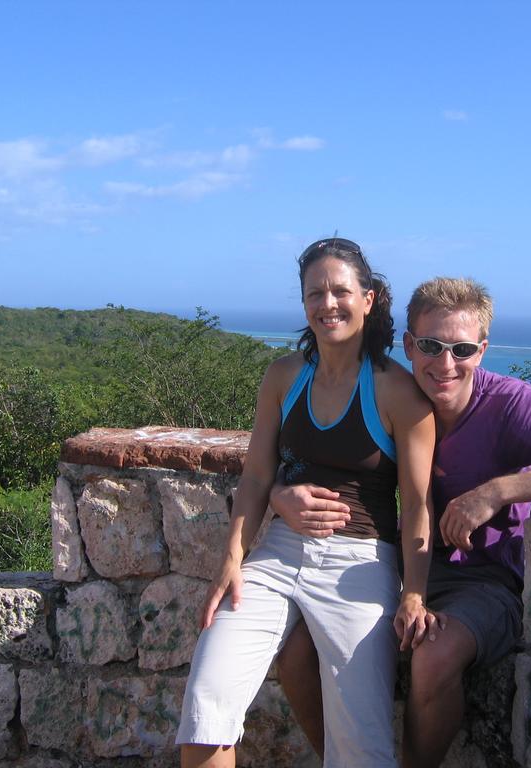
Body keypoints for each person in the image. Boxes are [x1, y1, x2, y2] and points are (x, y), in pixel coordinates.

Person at [271, 277, 531, 767]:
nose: (445, 364)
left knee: (433, 655)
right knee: (297, 652)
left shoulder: (508, 404)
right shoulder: (390, 399)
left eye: (461, 349)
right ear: (408, 345)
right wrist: (280, 492)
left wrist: (498, 491)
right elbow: (311, 462)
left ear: (482, 351)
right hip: (403, 566)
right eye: (430, 346)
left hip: (485, 580)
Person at [175, 238, 436, 768]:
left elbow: (416, 506)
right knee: (207, 703)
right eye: (314, 293)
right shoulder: (284, 377)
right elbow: (255, 477)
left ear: (369, 298)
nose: (328, 303)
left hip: (359, 563)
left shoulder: (397, 392)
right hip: (276, 554)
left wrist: (414, 594)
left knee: (361, 746)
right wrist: (232, 558)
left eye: (341, 290)